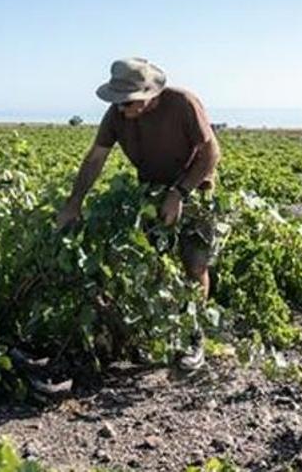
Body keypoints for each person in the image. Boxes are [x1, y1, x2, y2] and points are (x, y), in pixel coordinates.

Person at [56, 58, 221, 370]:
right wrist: (74, 202)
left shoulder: (184, 103)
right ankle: (156, 332)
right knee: (152, 262)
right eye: (117, 102)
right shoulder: (117, 114)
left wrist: (179, 193)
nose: (121, 109)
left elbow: (211, 153)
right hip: (149, 192)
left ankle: (193, 336)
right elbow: (95, 159)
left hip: (194, 187)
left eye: (128, 102)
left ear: (150, 95)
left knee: (194, 263)